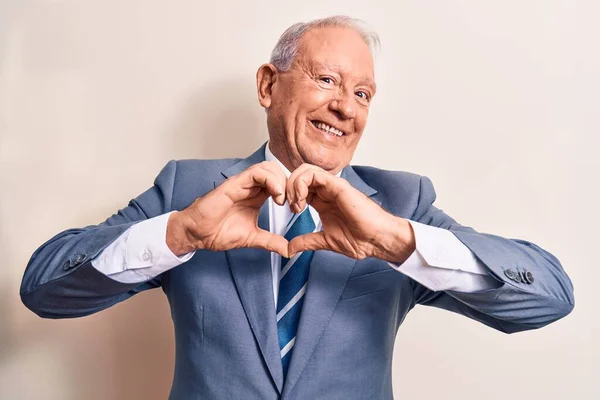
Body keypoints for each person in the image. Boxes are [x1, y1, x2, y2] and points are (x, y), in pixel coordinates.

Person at [20, 16, 574, 400]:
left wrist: (397, 241)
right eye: (327, 79)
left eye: (362, 94)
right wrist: (180, 233)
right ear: (268, 85)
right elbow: (44, 288)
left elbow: (548, 297)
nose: (344, 106)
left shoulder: (402, 204)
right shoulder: (186, 188)